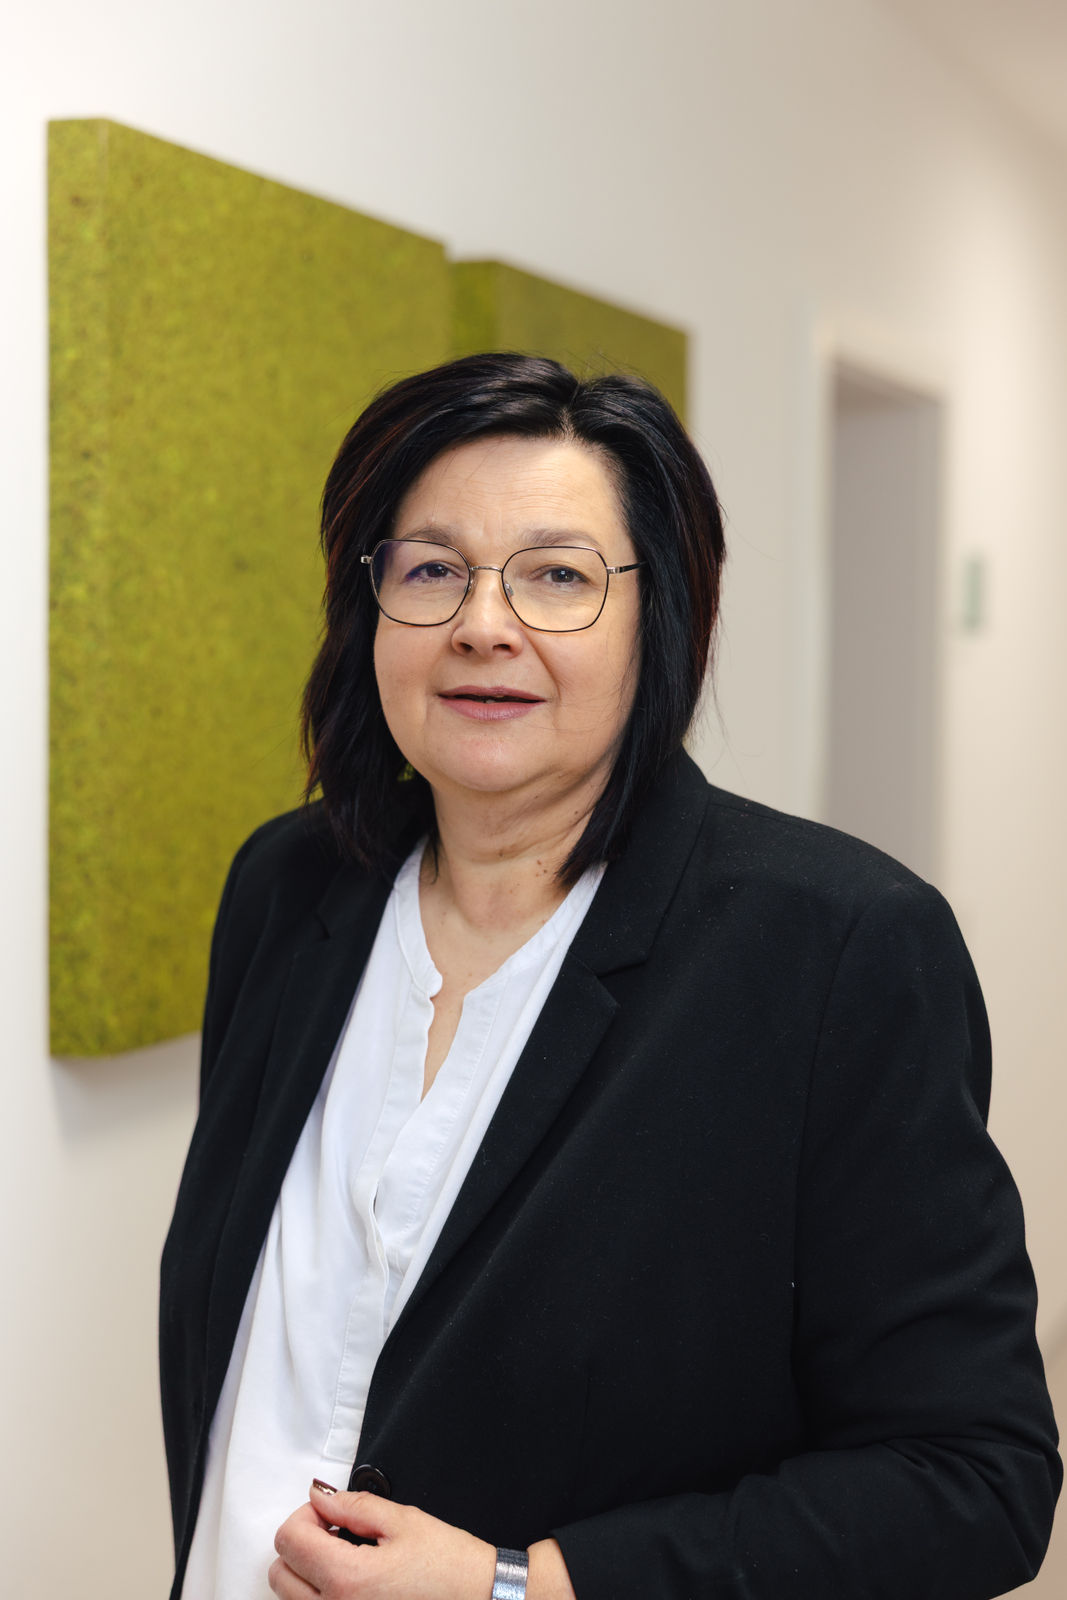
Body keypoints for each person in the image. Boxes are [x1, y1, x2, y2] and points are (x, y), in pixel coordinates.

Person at [160, 352, 1060, 1600]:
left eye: (556, 576)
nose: (483, 624)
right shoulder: (287, 887)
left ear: (659, 618)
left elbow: (971, 1480)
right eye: (429, 570)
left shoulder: (836, 949)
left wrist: (523, 1585)